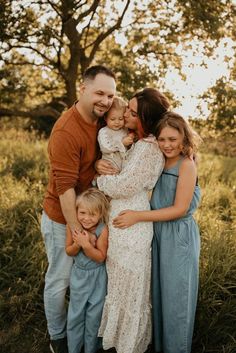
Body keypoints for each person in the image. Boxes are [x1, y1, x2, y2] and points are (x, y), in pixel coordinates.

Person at [40, 65, 116, 353]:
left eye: (110, 95)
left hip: (89, 213)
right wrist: (78, 232)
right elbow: (65, 189)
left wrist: (97, 163)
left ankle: (86, 330)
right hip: (63, 216)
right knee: (60, 278)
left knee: (85, 276)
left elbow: (97, 154)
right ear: (82, 89)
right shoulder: (65, 130)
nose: (105, 101)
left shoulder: (101, 121)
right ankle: (57, 337)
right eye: (99, 93)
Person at [113, 112, 201, 353]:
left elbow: (179, 209)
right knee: (160, 296)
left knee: (176, 299)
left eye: (173, 139)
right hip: (159, 234)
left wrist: (137, 216)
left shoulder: (187, 164)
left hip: (178, 236)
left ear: (184, 138)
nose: (167, 144)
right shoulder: (159, 159)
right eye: (162, 139)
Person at [96, 88, 170, 353]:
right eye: (126, 108)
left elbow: (125, 185)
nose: (125, 113)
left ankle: (130, 345)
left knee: (131, 287)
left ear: (145, 120)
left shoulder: (149, 148)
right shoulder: (137, 142)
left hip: (133, 224)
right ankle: (117, 342)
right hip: (121, 221)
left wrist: (97, 180)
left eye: (131, 112)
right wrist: (99, 166)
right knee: (118, 285)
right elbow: (117, 169)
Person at [65, 188, 110, 353]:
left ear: (100, 214)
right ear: (76, 211)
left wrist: (86, 245)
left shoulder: (102, 230)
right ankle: (74, 349)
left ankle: (90, 348)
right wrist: (78, 244)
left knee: (94, 316)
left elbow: (100, 257)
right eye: (82, 212)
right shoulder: (72, 227)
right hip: (79, 276)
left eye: (93, 214)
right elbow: (69, 251)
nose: (87, 218)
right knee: (76, 314)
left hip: (98, 277)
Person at [98, 96, 134, 171]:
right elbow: (105, 147)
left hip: (123, 167)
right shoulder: (104, 131)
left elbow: (130, 146)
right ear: (105, 118)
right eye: (113, 119)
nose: (117, 122)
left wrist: (131, 137)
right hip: (109, 166)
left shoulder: (125, 130)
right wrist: (122, 143)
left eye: (120, 119)